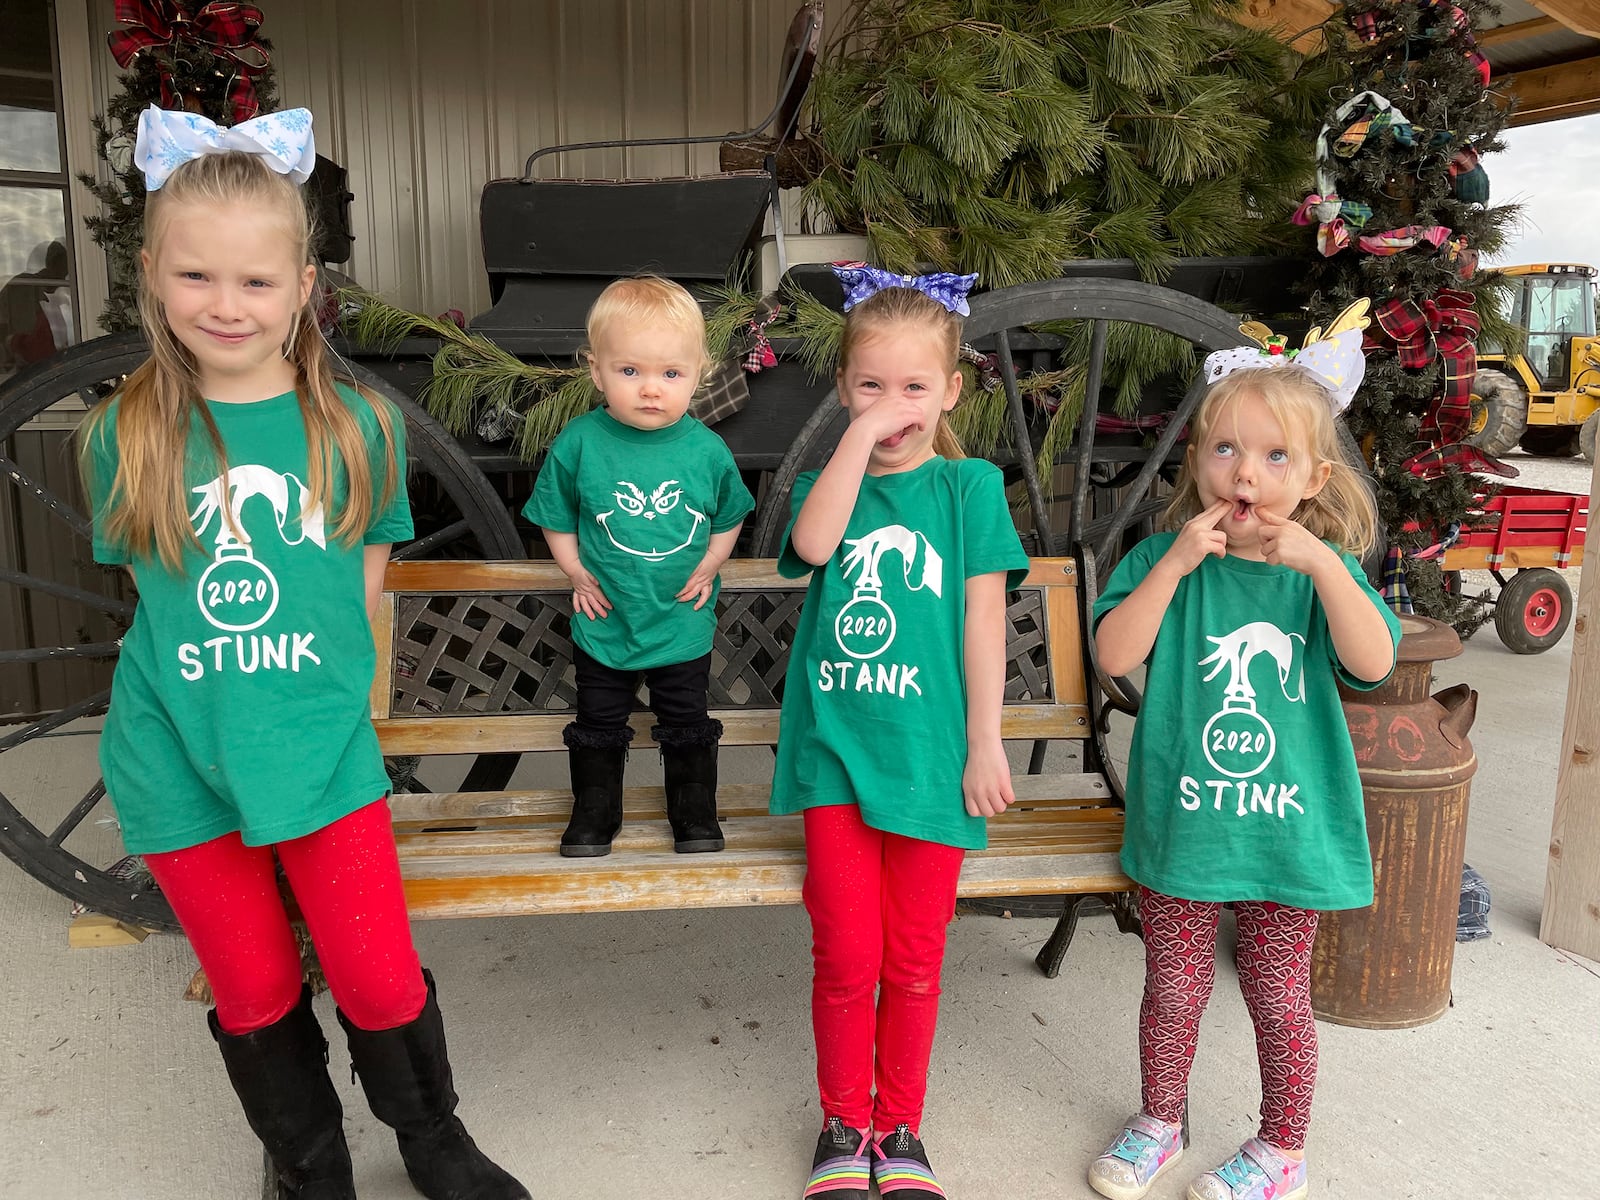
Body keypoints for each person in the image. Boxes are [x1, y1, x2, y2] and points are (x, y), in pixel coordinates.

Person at [79, 105, 528, 1200]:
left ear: (304, 286)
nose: (225, 306)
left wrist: (337, 713)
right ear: (150, 275)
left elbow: (364, 595)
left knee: (376, 976)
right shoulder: (122, 436)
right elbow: (159, 607)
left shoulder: (355, 429)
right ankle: (308, 1161)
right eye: (195, 278)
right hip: (176, 758)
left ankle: (433, 1140)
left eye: (255, 282)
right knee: (254, 985)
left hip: (321, 754)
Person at [1086, 339, 1402, 1200]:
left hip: (1286, 833)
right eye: (1225, 448)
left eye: (1272, 457)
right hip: (1186, 824)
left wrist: (1328, 569)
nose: (1244, 474)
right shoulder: (1166, 561)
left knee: (1277, 995)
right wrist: (1178, 563)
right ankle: (1160, 1121)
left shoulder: (1316, 578)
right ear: (1195, 461)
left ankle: (1282, 1147)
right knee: (1172, 988)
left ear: (1313, 482)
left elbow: (1373, 663)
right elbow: (1114, 651)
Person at [771, 266, 1029, 1200]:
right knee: (846, 953)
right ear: (843, 389)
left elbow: (982, 622)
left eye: (915, 387)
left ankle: (900, 1126)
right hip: (837, 753)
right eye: (871, 385)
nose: (893, 405)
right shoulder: (826, 482)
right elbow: (810, 547)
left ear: (952, 392)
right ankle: (843, 1121)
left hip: (931, 761)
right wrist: (857, 442)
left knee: (914, 958)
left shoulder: (968, 490)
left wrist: (987, 742)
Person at [524, 275, 755, 856]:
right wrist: (575, 571)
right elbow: (555, 515)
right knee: (599, 718)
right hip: (605, 616)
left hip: (681, 617)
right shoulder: (579, 444)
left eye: (670, 374)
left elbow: (729, 514)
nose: (651, 389)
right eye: (630, 372)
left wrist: (710, 564)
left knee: (686, 718)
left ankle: (694, 812)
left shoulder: (705, 450)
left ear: (699, 374)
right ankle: (596, 813)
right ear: (596, 370)